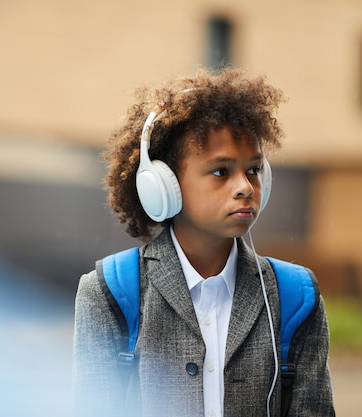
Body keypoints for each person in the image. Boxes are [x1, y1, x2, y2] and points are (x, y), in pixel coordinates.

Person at [72, 67, 335, 417]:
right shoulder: (109, 292)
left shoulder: (295, 296)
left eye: (254, 169)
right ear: (164, 186)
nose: (244, 186)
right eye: (221, 171)